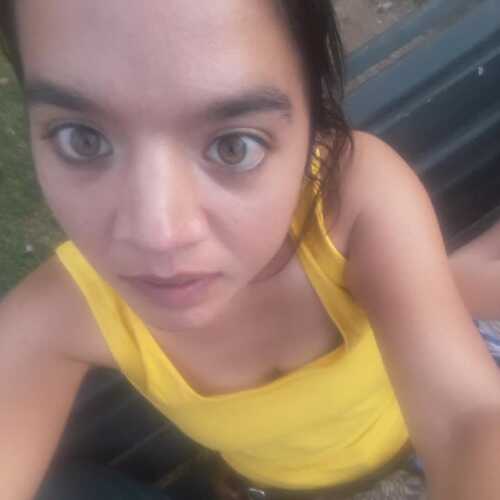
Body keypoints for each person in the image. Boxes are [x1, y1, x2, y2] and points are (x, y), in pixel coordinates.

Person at [1, 1, 500, 499]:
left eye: (234, 146)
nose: (158, 236)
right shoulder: (63, 314)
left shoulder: (353, 201)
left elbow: (468, 418)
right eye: (82, 140)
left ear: (314, 128)